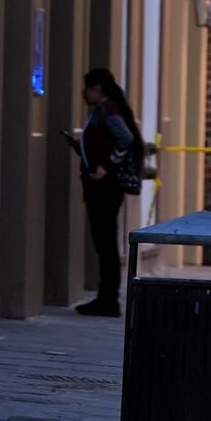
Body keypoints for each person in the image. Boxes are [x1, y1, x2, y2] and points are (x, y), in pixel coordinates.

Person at [63, 68, 144, 317]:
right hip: (103, 187)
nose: (83, 93)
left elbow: (126, 139)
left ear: (97, 88)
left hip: (105, 189)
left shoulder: (107, 110)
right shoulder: (105, 109)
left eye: (86, 88)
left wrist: (106, 166)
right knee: (105, 242)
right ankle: (106, 297)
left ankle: (108, 299)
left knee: (105, 243)